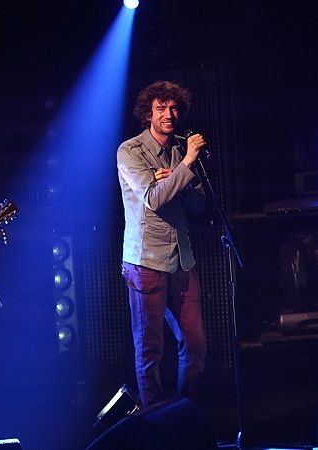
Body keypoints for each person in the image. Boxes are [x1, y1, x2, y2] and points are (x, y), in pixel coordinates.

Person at [116, 81, 207, 408]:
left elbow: (198, 206)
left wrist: (179, 180)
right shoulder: (130, 151)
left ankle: (188, 417)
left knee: (195, 345)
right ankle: (157, 425)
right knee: (150, 350)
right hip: (146, 262)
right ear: (148, 113)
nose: (169, 115)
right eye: (161, 109)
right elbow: (153, 199)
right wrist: (185, 168)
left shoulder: (180, 148)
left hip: (182, 260)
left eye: (173, 108)